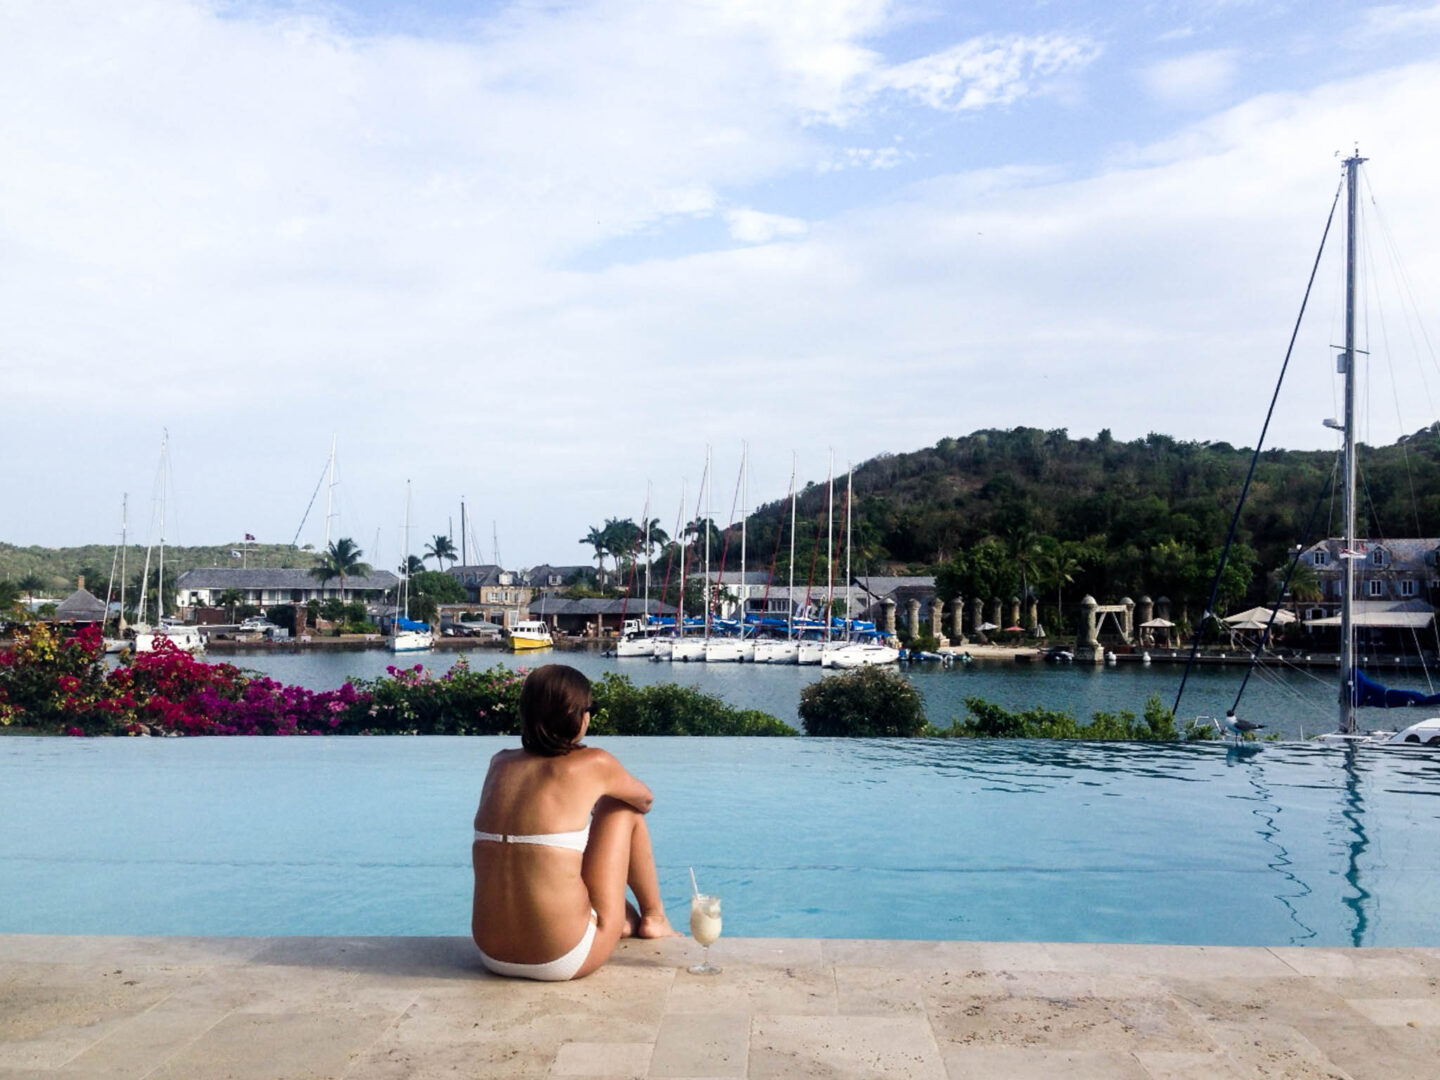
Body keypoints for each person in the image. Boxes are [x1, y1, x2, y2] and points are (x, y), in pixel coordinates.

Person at [471, 663, 679, 980]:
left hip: (491, 954)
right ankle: (654, 918)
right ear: (578, 715)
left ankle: (621, 918)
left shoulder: (499, 763)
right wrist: (594, 798)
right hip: (561, 958)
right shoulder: (594, 762)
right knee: (620, 807)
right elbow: (644, 799)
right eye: (589, 709)